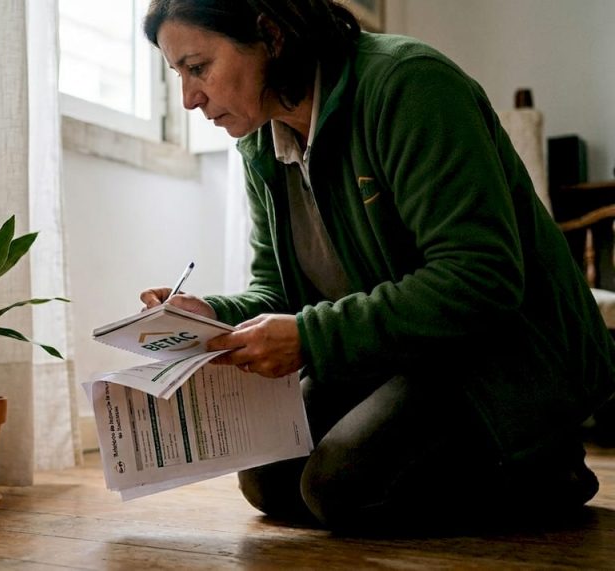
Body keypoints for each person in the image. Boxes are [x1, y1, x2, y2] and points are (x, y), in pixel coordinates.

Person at [139, 0, 615, 533]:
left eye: (198, 68)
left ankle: (548, 466)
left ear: (270, 36)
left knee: (339, 486)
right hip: (405, 352)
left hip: (503, 353)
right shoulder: (261, 143)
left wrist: (310, 337)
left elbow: (481, 276)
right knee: (267, 478)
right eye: (178, 74)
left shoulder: (410, 84)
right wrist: (210, 315)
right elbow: (279, 291)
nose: (188, 98)